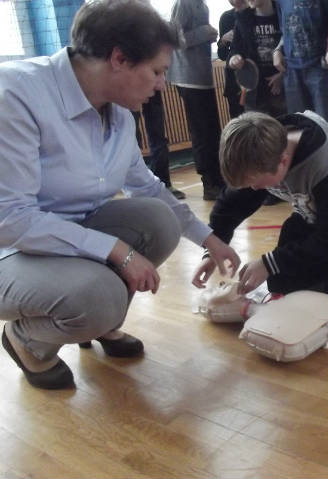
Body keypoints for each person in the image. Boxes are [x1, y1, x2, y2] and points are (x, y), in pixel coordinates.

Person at [0, 0, 240, 390]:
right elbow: (10, 220)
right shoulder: (16, 93)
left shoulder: (117, 113)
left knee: (158, 220)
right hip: (11, 251)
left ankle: (101, 322)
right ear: (119, 59)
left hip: (64, 239)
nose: (162, 84)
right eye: (157, 71)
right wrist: (116, 250)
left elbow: (148, 187)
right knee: (99, 296)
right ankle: (27, 339)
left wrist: (210, 240)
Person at [194, 111, 328, 310]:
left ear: (283, 161)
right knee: (280, 284)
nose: (253, 189)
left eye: (256, 183)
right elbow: (230, 206)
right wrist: (212, 249)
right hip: (314, 208)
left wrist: (269, 263)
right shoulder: (261, 153)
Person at [168, 0, 226, 200]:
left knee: (212, 132)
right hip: (189, 78)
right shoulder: (184, 3)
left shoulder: (202, 5)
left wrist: (209, 35)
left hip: (203, 76)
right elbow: (176, 39)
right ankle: (209, 183)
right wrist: (204, 32)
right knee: (201, 133)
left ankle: (218, 178)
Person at [273, 0, 328, 128]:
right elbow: (283, 29)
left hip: (319, 67)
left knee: (326, 124)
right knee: (296, 124)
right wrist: (278, 50)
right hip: (291, 70)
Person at [228, 0, 286, 118]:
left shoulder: (284, 13)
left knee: (286, 126)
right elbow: (235, 49)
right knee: (257, 128)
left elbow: (296, 49)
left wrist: (284, 74)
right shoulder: (242, 19)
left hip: (283, 91)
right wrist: (234, 59)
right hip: (254, 94)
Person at [218, 0, 248, 119]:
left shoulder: (258, 11)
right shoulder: (226, 17)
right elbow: (222, 55)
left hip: (255, 75)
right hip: (234, 79)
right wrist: (223, 40)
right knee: (238, 119)